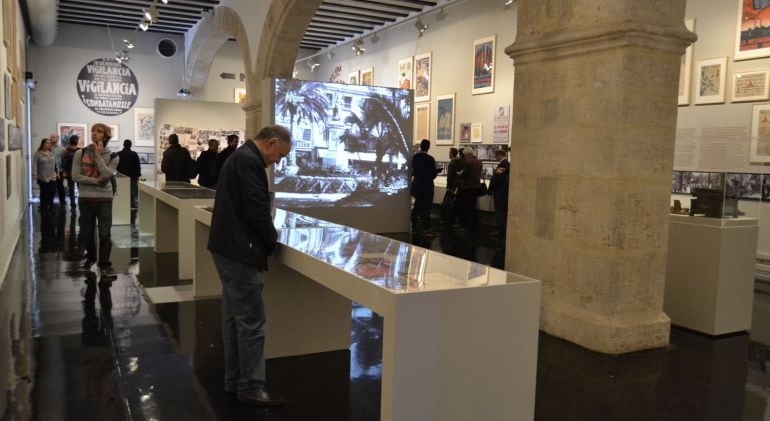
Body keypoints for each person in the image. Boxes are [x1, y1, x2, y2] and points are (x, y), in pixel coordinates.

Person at [207, 125, 292, 407]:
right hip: (240, 253)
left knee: (234, 320)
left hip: (228, 249)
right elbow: (257, 210)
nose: (278, 161)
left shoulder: (241, 158)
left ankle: (235, 381)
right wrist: (270, 241)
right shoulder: (248, 162)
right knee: (251, 323)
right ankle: (251, 385)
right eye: (279, 155)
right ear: (270, 143)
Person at [72, 123, 119, 278]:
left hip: (105, 199)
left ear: (105, 136)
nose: (94, 133)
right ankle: (91, 256)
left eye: (98, 131)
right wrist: (96, 181)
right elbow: (75, 176)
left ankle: (105, 264)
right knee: (87, 232)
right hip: (86, 198)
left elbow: (106, 176)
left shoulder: (113, 156)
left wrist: (98, 156)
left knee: (105, 234)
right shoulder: (81, 153)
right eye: (93, 131)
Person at [410, 139, 437, 232]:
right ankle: (426, 226)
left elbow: (413, 171)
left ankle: (413, 222)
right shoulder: (430, 159)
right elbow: (434, 174)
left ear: (420, 146)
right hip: (427, 186)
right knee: (427, 207)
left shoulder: (415, 158)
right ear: (428, 147)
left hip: (417, 185)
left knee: (417, 204)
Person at [458, 148, 482, 229]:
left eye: (464, 155)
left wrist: (459, 174)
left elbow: (464, 175)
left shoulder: (468, 162)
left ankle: (466, 226)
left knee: (466, 207)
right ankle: (475, 225)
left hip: (468, 187)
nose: (464, 157)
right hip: (476, 187)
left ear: (467, 155)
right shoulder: (479, 161)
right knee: (474, 206)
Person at [488, 149, 510, 237]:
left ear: (500, 155)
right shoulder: (508, 164)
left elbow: (496, 179)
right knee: (503, 211)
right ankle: (503, 228)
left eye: (496, 156)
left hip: (499, 192)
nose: (496, 157)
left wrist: (490, 190)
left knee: (499, 211)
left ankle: (500, 230)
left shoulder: (502, 164)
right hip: (504, 191)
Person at [32, 138, 58, 215]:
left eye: (49, 143)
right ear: (43, 144)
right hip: (42, 177)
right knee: (44, 193)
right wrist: (34, 174)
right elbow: (34, 165)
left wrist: (57, 173)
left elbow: (56, 164)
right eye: (47, 143)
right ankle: (44, 207)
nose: (48, 144)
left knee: (52, 192)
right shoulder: (38, 153)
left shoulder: (52, 153)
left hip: (52, 176)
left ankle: (51, 207)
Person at [116, 139, 141, 208]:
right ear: (130, 145)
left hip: (121, 176)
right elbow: (137, 166)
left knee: (121, 190)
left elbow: (116, 166)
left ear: (123, 145)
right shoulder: (134, 154)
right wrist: (138, 176)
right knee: (132, 192)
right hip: (132, 176)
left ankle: (121, 204)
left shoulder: (118, 154)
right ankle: (131, 205)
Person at [60, 135, 81, 209]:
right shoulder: (66, 150)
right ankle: (73, 204)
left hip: (78, 173)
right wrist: (64, 171)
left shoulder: (80, 150)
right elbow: (63, 162)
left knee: (80, 189)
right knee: (71, 189)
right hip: (70, 172)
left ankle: (80, 203)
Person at [442, 147, 462, 224]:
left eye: (449, 152)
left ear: (451, 154)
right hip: (457, 185)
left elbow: (450, 177)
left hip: (452, 186)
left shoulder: (452, 163)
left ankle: (449, 218)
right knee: (454, 202)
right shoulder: (459, 162)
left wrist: (448, 187)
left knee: (449, 202)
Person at [50, 133, 67, 207]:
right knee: (50, 187)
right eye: (51, 137)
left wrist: (64, 170)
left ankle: (62, 202)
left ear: (57, 138)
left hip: (59, 171)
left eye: (53, 137)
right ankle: (50, 203)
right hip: (49, 171)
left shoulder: (61, 148)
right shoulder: (47, 147)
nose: (51, 138)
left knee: (60, 187)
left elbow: (64, 160)